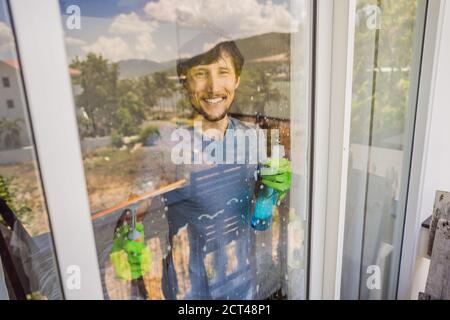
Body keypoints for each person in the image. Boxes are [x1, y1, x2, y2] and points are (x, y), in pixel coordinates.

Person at [161, 40, 289, 300]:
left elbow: (260, 208)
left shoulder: (251, 137)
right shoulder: (167, 144)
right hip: (188, 292)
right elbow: (135, 216)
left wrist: (277, 190)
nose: (213, 86)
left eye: (222, 72)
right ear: (185, 82)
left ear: (237, 80)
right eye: (201, 73)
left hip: (242, 287)